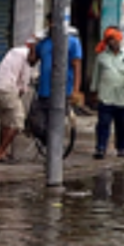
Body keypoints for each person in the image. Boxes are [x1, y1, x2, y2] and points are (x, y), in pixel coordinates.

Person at [32, 23, 86, 151]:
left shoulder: (72, 42)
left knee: (55, 121)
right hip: (44, 90)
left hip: (63, 90)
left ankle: (54, 151)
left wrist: (76, 89)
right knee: (36, 123)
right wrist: (32, 46)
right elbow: (32, 61)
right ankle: (51, 145)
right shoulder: (44, 43)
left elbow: (77, 66)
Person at [91, 25, 124, 158]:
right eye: (109, 39)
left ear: (120, 39)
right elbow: (96, 75)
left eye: (114, 39)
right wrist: (94, 91)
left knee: (122, 125)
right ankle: (100, 148)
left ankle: (121, 148)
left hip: (123, 97)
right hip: (106, 96)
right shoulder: (101, 57)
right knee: (103, 123)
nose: (113, 42)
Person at [0, 36, 37, 162]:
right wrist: (23, 90)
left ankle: (2, 152)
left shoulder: (14, 51)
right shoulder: (28, 56)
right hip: (7, 89)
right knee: (18, 122)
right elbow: (24, 81)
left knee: (6, 122)